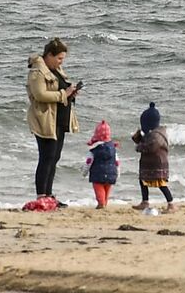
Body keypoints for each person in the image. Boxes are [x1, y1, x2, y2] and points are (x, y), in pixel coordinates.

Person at [28, 38, 81, 203]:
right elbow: (40, 94)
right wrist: (64, 94)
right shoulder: (37, 72)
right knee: (47, 157)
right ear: (49, 55)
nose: (61, 62)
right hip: (45, 120)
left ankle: (49, 195)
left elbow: (60, 89)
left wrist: (71, 93)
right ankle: (41, 196)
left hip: (59, 119)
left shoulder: (56, 70)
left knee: (54, 157)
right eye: (59, 58)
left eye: (62, 59)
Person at [132, 102, 174, 213]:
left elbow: (151, 147)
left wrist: (139, 147)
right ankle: (145, 201)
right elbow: (145, 142)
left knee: (161, 184)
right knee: (142, 181)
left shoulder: (157, 135)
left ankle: (171, 204)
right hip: (150, 163)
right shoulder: (151, 133)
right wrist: (138, 137)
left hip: (157, 164)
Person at [85, 121, 119, 209]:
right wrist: (118, 173)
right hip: (111, 173)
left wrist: (85, 172)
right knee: (107, 189)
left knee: (98, 188)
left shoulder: (94, 149)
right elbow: (117, 162)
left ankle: (101, 203)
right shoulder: (113, 148)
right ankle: (104, 202)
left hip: (97, 174)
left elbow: (89, 162)